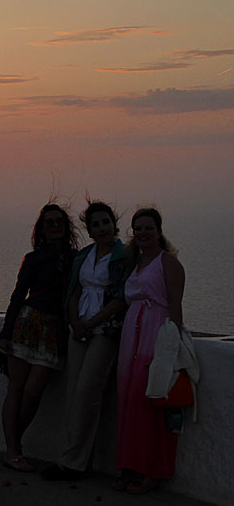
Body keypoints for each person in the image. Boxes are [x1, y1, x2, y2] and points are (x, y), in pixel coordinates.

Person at [42, 201, 128, 481]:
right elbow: (74, 291)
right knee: (73, 395)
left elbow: (120, 299)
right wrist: (77, 323)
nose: (102, 228)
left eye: (105, 222)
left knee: (87, 394)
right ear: (88, 230)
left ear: (114, 224)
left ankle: (72, 463)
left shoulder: (123, 256)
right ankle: (77, 459)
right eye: (96, 224)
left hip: (104, 331)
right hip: (79, 329)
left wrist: (91, 324)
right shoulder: (86, 256)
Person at [0, 203, 78, 472]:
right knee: (16, 389)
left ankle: (14, 444)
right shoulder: (33, 258)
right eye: (49, 222)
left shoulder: (75, 258)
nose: (54, 225)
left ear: (66, 227)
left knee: (34, 391)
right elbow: (18, 295)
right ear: (41, 229)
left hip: (53, 329)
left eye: (59, 221)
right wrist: (6, 333)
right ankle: (12, 451)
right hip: (27, 323)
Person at [114, 208, 185, 494]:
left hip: (155, 335)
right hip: (132, 337)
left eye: (148, 228)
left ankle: (151, 472)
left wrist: (174, 344)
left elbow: (176, 306)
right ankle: (129, 467)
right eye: (138, 228)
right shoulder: (137, 261)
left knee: (149, 406)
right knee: (128, 404)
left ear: (159, 231)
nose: (143, 233)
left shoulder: (168, 263)